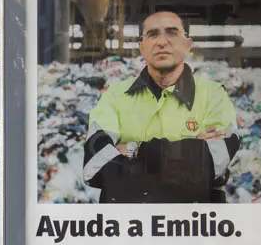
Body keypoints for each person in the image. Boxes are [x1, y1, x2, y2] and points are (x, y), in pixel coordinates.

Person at [82, 10, 240, 203]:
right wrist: (190, 150)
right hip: (127, 227)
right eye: (152, 34)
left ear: (187, 44)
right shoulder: (115, 96)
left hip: (192, 227)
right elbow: (95, 167)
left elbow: (215, 165)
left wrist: (133, 149)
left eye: (172, 32)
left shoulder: (213, 96)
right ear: (141, 46)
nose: (162, 42)